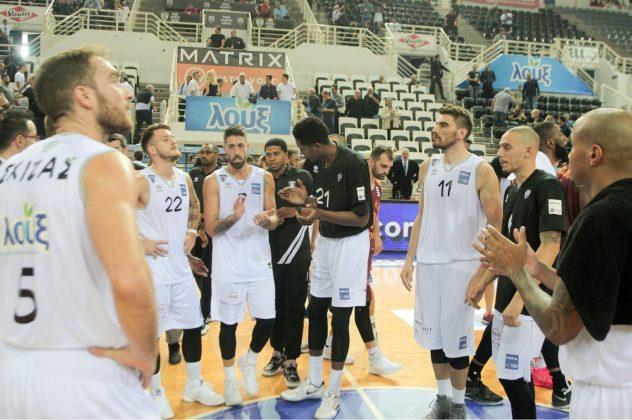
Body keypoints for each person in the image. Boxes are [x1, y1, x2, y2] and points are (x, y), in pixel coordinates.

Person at [0, 46, 158, 418]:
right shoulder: (102, 161)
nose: (126, 93)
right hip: (84, 369)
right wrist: (144, 351)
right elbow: (129, 279)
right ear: (84, 96)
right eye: (114, 81)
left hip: (12, 369)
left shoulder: (8, 170)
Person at [472, 108, 632, 419]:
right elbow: (598, 289)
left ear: (594, 154)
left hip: (609, 397)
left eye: (573, 147)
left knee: (515, 376)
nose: (567, 157)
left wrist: (518, 274)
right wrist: (537, 268)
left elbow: (560, 327)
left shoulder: (602, 217)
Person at [400, 104, 502, 419]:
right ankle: (442, 399)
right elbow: (421, 216)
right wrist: (409, 259)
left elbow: (495, 226)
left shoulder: (481, 169)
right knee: (434, 337)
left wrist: (483, 273)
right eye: (436, 124)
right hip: (429, 263)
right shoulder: (427, 167)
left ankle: (458, 405)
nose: (435, 129)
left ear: (462, 132)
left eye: (443, 125)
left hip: (462, 265)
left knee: (456, 342)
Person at [466, 126, 567, 418]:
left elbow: (551, 246)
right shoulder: (512, 189)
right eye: (500, 146)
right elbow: (505, 251)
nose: (500, 153)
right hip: (508, 295)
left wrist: (520, 298)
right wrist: (481, 281)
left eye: (507, 147)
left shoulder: (548, 186)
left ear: (529, 151)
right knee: (516, 374)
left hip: (530, 302)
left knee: (512, 377)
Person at [279, 117, 372, 419]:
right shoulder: (315, 165)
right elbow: (321, 205)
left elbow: (361, 217)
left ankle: (333, 391)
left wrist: (317, 213)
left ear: (317, 145)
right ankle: (315, 382)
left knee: (340, 318)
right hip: (328, 243)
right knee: (316, 309)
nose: (302, 154)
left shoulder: (354, 163)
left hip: (351, 245)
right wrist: (305, 203)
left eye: (304, 149)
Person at [136, 124, 225, 418]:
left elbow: (194, 206)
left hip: (180, 269)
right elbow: (109, 218)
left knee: (192, 326)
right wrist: (139, 242)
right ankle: (155, 393)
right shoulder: (139, 181)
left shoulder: (184, 178)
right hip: (152, 272)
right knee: (152, 336)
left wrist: (191, 230)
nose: (173, 141)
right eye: (165, 139)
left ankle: (194, 385)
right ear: (151, 149)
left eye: (172, 137)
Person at [203, 125, 278, 406]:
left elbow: (274, 218)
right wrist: (234, 217)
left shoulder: (264, 177)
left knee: (268, 320)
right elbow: (211, 229)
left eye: (240, 145)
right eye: (231, 146)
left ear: (248, 147)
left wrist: (268, 221)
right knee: (228, 326)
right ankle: (230, 381)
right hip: (228, 267)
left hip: (259, 264)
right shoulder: (213, 180)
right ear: (225, 149)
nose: (236, 151)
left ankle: (250, 360)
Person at [262, 138, 313, 389]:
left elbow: (314, 209)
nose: (272, 158)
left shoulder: (301, 176)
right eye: (268, 154)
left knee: (294, 306)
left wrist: (296, 211)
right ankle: (276, 352)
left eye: (276, 153)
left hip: (296, 251)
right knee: (274, 307)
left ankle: (291, 359)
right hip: (268, 251)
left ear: (285, 154)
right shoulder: (261, 178)